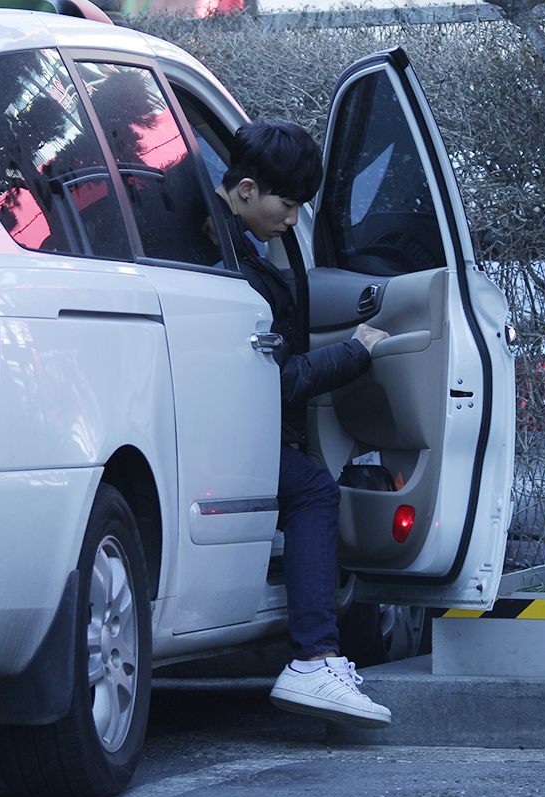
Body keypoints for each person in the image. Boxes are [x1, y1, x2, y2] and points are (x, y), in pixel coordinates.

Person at [213, 121, 393, 729]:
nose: (292, 221)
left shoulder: (216, 235)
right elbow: (278, 378)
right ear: (245, 190)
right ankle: (315, 659)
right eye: (286, 206)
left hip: (208, 428)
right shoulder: (232, 265)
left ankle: (318, 657)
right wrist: (355, 352)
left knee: (309, 483)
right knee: (314, 489)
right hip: (220, 436)